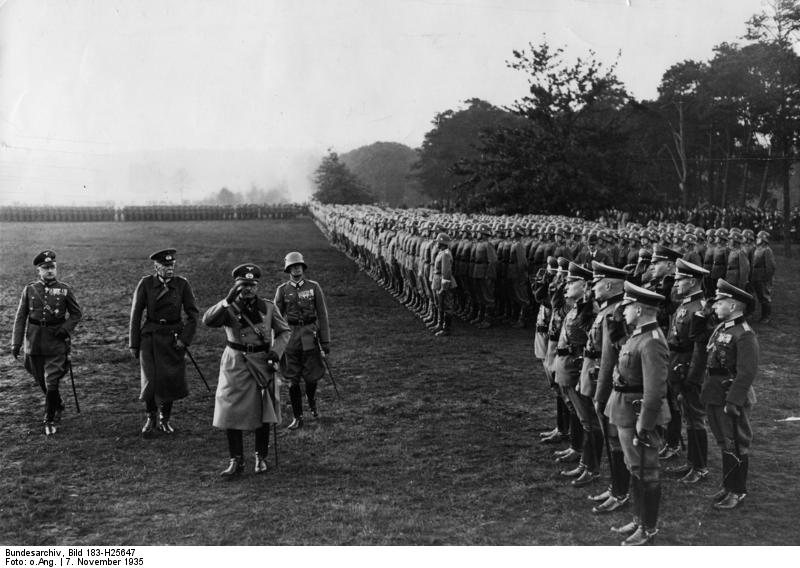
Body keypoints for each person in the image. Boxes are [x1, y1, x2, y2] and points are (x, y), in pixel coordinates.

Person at [203, 263, 292, 476]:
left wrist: (276, 352)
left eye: (252, 285)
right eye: (243, 285)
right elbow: (208, 321)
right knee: (230, 409)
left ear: (257, 286)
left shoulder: (268, 307)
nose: (248, 289)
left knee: (263, 409)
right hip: (235, 362)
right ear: (236, 286)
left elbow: (284, 331)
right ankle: (236, 460)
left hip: (262, 362)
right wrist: (227, 300)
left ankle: (260, 457)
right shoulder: (228, 307)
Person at [607, 281, 670, 546]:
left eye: (628, 307)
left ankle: (648, 529)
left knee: (647, 471)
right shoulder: (639, 334)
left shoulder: (651, 341)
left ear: (640, 309)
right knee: (635, 468)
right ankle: (638, 519)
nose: (624, 311)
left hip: (638, 416)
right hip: (626, 410)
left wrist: (644, 426)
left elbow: (654, 392)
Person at [700, 279, 759, 510]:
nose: (715, 306)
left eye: (720, 302)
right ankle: (728, 485)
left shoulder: (744, 334)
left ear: (733, 306)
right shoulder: (722, 328)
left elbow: (746, 373)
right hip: (715, 393)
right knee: (725, 442)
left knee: (736, 444)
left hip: (730, 397)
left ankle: (737, 490)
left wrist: (733, 401)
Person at [11, 250, 83, 435]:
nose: (50, 271)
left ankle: (48, 419)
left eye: (52, 267)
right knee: (39, 378)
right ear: (39, 271)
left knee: (51, 380)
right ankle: (57, 404)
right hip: (34, 341)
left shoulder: (65, 289)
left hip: (56, 341)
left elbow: (76, 314)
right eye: (45, 268)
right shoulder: (29, 289)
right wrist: (16, 343)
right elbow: (21, 317)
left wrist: (65, 329)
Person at [129, 248, 199, 435]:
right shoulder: (146, 284)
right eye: (165, 266)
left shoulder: (182, 284)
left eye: (172, 265)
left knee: (170, 379)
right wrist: (134, 344)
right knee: (150, 380)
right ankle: (151, 417)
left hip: (173, 339)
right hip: (150, 338)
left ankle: (165, 419)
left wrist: (184, 340)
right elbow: (136, 315)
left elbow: (193, 314)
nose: (170, 269)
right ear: (156, 266)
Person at [663, 259, 711, 484]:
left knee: (695, 419)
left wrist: (692, 377)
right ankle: (693, 462)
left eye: (680, 279)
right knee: (688, 418)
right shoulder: (686, 304)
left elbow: (700, 350)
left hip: (688, 371)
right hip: (677, 365)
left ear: (692, 282)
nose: (676, 283)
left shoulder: (699, 308)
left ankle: (700, 467)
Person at [274, 251, 331, 430]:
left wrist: (325, 340)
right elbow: (275, 316)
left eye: (299, 266)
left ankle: (311, 398)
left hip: (310, 336)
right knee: (292, 379)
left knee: (311, 377)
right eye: (293, 266)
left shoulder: (314, 287)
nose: (296, 269)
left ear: (303, 267)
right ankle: (298, 416)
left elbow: (322, 314)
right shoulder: (283, 290)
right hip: (291, 338)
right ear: (288, 269)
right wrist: (276, 343)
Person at [431, 231, 457, 336]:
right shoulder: (442, 252)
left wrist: (443, 287)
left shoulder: (445, 254)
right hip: (438, 280)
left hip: (444, 282)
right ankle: (440, 324)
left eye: (438, 241)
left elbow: (446, 273)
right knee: (440, 304)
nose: (436, 243)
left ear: (442, 243)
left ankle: (447, 328)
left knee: (447, 306)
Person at [750, 231, 776, 323]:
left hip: (762, 277)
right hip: (756, 276)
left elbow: (770, 266)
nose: (757, 239)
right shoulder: (757, 249)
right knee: (760, 297)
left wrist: (767, 279)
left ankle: (766, 316)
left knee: (765, 297)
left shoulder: (767, 250)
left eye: (759, 238)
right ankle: (762, 316)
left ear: (763, 239)